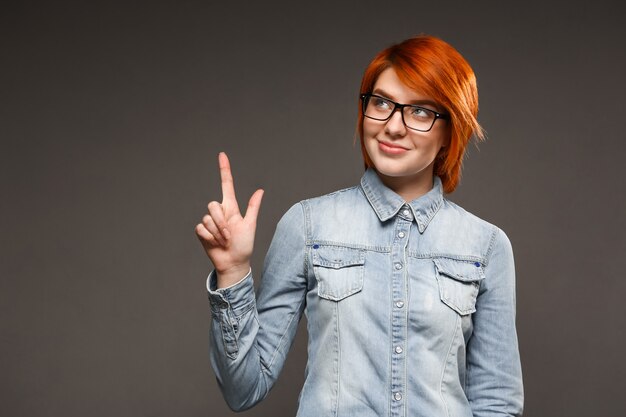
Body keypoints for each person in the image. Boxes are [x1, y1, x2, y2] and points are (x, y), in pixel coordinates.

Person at [195, 35, 524, 417]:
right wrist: (233, 272)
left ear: (451, 130)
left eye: (420, 111)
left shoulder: (486, 246)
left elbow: (497, 403)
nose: (393, 126)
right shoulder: (307, 226)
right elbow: (243, 388)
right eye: (381, 103)